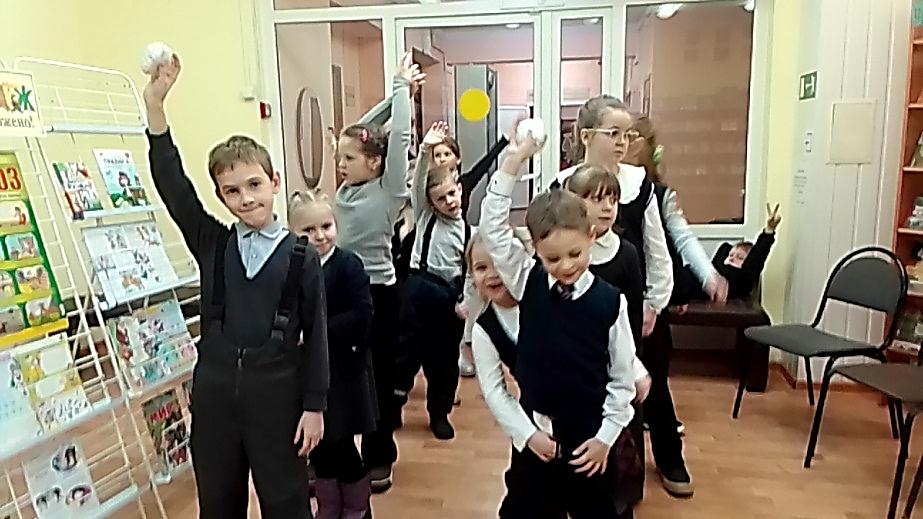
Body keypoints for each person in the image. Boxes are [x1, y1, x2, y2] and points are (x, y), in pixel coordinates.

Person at [143, 53, 328, 518]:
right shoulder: (214, 244)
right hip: (215, 394)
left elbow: (317, 336)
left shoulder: (301, 255)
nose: (246, 198)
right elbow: (174, 188)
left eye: (254, 185)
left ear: (274, 182)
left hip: (278, 397)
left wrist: (314, 407)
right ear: (220, 196)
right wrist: (155, 108)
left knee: (286, 503)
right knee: (219, 503)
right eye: (232, 191)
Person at [480, 133, 643, 518]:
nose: (566, 266)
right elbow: (493, 227)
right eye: (552, 258)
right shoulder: (527, 280)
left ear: (591, 236)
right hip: (535, 436)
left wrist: (605, 439)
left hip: (589, 443)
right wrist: (514, 161)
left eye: (574, 253)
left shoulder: (610, 303)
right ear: (535, 250)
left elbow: (622, 381)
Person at [554, 95, 693, 497]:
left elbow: (656, 248)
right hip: (582, 305)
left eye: (627, 135)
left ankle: (666, 458)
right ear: (586, 137)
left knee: (648, 382)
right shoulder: (563, 183)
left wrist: (655, 302)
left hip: (633, 301)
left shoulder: (638, 184)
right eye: (613, 133)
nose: (622, 142)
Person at [333, 52, 424, 493]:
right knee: (340, 377)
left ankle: (379, 456)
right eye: (340, 157)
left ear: (375, 162)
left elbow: (398, 136)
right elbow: (362, 131)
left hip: (378, 296)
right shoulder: (344, 189)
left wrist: (401, 90)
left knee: (379, 379)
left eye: (349, 158)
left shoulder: (388, 190)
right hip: (340, 291)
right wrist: (392, 96)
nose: (341, 164)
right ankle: (336, 454)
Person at [562, 164, 649, 506]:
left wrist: (634, 364)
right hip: (580, 364)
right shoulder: (567, 256)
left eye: (612, 199)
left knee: (624, 425)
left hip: (619, 360)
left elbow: (634, 316)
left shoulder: (627, 253)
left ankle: (626, 491)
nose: (606, 207)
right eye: (596, 199)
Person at [289, 190, 376, 519]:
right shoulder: (294, 268)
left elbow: (362, 314)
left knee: (341, 444)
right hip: (308, 375)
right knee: (319, 448)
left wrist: (315, 332)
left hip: (343, 374)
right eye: (308, 230)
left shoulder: (348, 264)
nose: (320, 236)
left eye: (326, 226)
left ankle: (357, 508)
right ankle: (329, 507)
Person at [393, 122, 469, 440]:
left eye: (452, 193)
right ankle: (393, 406)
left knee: (444, 362)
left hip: (447, 298)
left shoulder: (468, 230)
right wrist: (426, 149)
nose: (449, 201)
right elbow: (419, 184)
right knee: (405, 356)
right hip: (418, 289)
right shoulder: (426, 217)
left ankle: (439, 414)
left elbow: (470, 272)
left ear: (460, 189)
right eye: (440, 198)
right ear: (430, 203)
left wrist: (465, 301)